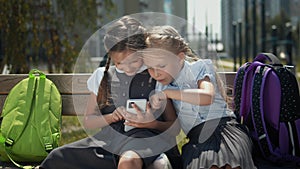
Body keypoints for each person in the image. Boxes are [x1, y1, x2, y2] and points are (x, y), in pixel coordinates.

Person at [39, 17, 181, 169]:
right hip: (108, 141)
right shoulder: (103, 76)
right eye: (119, 63)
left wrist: (151, 123)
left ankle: (158, 161)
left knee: (128, 161)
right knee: (57, 157)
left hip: (146, 139)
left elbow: (174, 128)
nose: (128, 68)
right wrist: (111, 117)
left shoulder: (156, 76)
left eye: (134, 61)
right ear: (111, 57)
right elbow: (89, 120)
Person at [142, 25, 257, 169]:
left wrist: (168, 93)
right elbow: (174, 128)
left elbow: (207, 97)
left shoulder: (200, 68)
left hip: (225, 131)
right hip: (197, 140)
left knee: (229, 164)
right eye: (150, 68)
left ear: (180, 58)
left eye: (161, 65)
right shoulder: (161, 86)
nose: (156, 73)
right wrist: (151, 122)